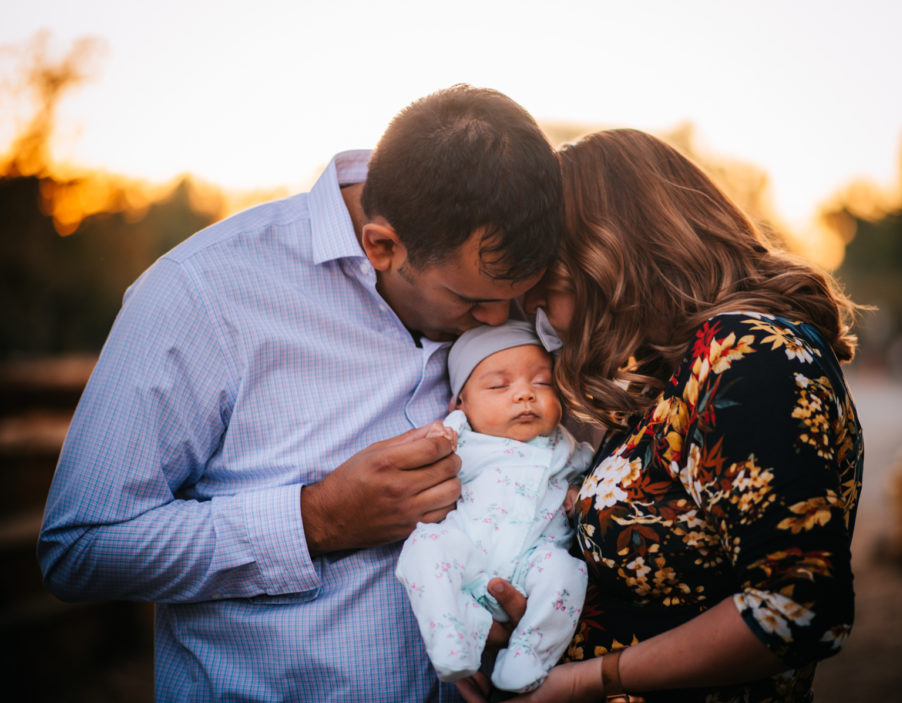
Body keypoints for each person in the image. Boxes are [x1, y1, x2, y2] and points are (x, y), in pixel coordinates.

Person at [37, 85, 561, 702]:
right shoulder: (199, 292)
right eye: (471, 300)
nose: (498, 320)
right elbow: (81, 546)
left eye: (514, 299)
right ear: (382, 246)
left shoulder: (496, 249)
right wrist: (316, 520)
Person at [469, 128, 863, 702]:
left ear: (608, 255)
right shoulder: (673, 372)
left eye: (549, 281)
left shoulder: (747, 357)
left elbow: (798, 607)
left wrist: (584, 681)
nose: (537, 308)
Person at [396, 321, 594, 693]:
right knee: (424, 545)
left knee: (567, 572)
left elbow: (592, 475)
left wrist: (578, 491)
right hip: (468, 557)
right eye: (499, 386)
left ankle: (529, 654)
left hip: (533, 564)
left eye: (542, 383)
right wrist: (437, 439)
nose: (525, 394)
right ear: (460, 403)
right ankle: (450, 634)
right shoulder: (458, 437)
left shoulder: (566, 446)